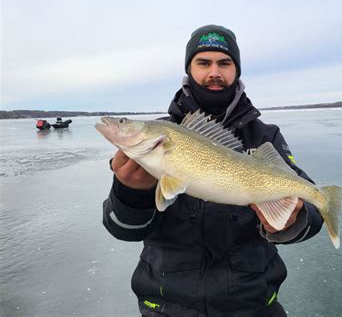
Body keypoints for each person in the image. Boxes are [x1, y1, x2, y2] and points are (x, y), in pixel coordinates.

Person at [103, 25, 324, 317]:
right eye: (203, 63)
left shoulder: (264, 137)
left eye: (224, 63)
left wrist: (292, 220)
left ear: (236, 70)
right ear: (189, 70)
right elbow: (122, 228)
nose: (214, 73)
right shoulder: (160, 137)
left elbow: (311, 208)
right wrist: (130, 192)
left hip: (252, 307)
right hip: (167, 308)